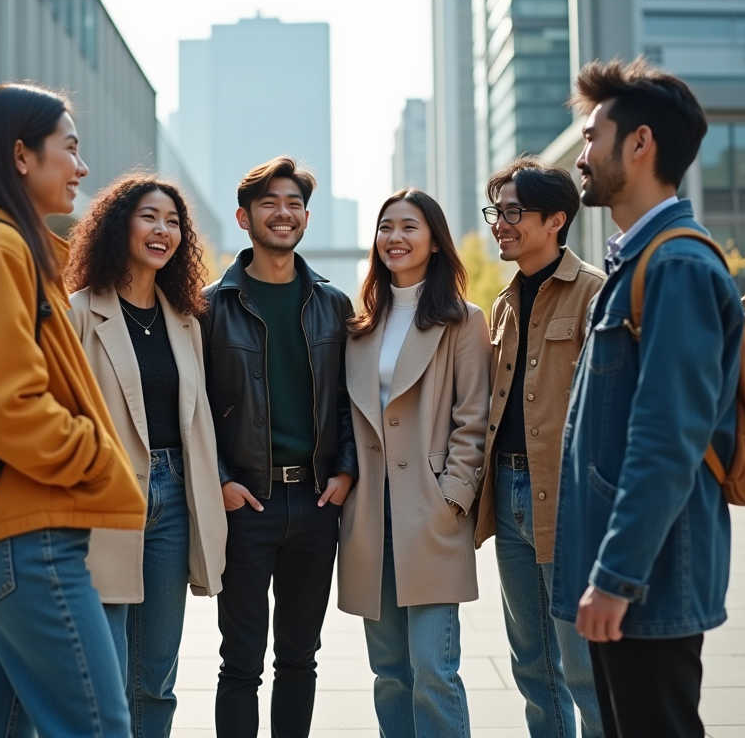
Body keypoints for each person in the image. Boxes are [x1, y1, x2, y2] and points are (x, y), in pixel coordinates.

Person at [0, 83, 144, 737]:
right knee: (96, 726)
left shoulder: (6, 247)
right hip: (27, 535)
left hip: (11, 532)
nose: (82, 167)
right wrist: (98, 454)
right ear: (20, 156)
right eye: (69, 148)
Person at [551, 58, 745, 738]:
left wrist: (616, 579)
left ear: (638, 144)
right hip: (629, 577)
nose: (581, 156)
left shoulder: (676, 267)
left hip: (648, 582)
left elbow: (667, 443)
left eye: (589, 136)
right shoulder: (638, 262)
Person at [200, 156, 358, 738]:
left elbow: (350, 400)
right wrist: (220, 481)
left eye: (292, 204)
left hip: (317, 505)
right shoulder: (211, 306)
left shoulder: (332, 304)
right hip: (248, 505)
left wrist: (344, 472)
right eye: (269, 203)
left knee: (300, 658)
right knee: (239, 663)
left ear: (307, 218)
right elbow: (193, 408)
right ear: (244, 219)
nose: (282, 214)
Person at [66, 174, 227, 737]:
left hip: (173, 499)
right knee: (105, 672)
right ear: (119, 225)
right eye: (149, 218)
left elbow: (199, 417)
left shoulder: (186, 319)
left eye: (173, 222)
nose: (163, 231)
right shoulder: (80, 312)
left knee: (156, 675)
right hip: (105, 498)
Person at [339, 189, 490, 738]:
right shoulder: (359, 325)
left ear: (433, 241)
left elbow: (473, 416)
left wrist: (454, 495)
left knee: (435, 670)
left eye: (408, 227)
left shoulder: (463, 321)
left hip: (430, 511)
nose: (395, 238)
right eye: (386, 227)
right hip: (368, 517)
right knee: (389, 673)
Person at [473, 158, 605, 738]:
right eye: (495, 211)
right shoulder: (502, 304)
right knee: (531, 663)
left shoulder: (595, 294)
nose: (499, 223)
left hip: (570, 499)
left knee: (583, 666)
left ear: (556, 219)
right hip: (508, 491)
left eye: (511, 212)